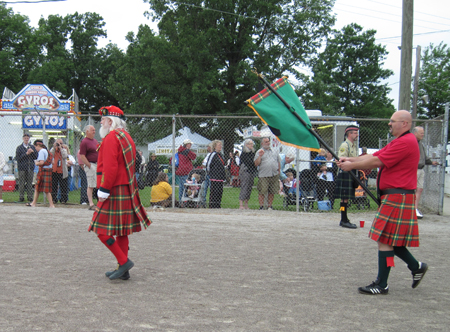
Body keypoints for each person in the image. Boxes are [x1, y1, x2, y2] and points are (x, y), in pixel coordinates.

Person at [338, 110, 428, 295]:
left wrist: (352, 165)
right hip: (395, 196)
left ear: (405, 123)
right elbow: (374, 155)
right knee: (389, 240)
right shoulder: (399, 141)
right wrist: (350, 159)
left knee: (384, 240)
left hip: (398, 196)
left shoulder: (405, 142)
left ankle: (382, 283)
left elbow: (377, 161)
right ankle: (415, 266)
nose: (389, 124)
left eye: (392, 121)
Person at [88, 105, 151, 281]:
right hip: (125, 188)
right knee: (122, 231)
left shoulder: (111, 138)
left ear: (111, 121)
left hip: (113, 187)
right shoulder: (127, 137)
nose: (101, 122)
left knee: (100, 229)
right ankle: (123, 270)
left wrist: (104, 189)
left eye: (103, 119)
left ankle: (123, 262)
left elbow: (110, 166)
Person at [335, 125, 360, 229]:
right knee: (344, 199)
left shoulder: (353, 145)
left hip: (351, 171)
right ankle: (343, 219)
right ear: (349, 134)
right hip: (345, 172)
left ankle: (344, 218)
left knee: (346, 199)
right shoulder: (345, 145)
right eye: (355, 132)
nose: (357, 135)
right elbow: (341, 159)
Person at [412, 126, 439, 219]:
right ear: (415, 133)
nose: (423, 134)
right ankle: (409, 209)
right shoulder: (411, 143)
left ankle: (415, 208)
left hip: (421, 169)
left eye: (423, 133)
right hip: (413, 169)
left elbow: (424, 157)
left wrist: (431, 162)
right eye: (421, 133)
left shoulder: (420, 144)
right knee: (412, 189)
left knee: (419, 189)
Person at [254, 137, 280, 210]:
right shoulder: (259, 152)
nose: (268, 143)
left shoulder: (274, 151)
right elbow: (256, 163)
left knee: (272, 191)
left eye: (268, 141)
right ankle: (261, 206)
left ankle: (269, 206)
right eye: (265, 142)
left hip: (274, 174)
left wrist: (279, 171)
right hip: (264, 175)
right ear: (262, 143)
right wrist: (260, 156)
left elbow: (278, 161)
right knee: (262, 191)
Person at [27, 140, 55, 208]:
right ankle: (34, 203)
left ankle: (51, 205)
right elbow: (53, 162)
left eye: (35, 147)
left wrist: (36, 163)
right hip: (48, 170)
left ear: (38, 146)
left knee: (44, 189)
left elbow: (41, 162)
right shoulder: (47, 151)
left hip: (43, 171)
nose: (35, 149)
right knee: (38, 188)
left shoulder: (41, 151)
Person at [80, 125, 99, 210]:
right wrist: (89, 165)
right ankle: (91, 203)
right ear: (87, 131)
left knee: (98, 183)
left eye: (94, 130)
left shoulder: (94, 141)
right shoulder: (84, 142)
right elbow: (82, 155)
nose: (94, 131)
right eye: (92, 130)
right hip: (91, 164)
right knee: (91, 184)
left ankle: (99, 202)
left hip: (97, 164)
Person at [15, 133, 37, 202]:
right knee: (21, 183)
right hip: (22, 168)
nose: (26, 139)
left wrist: (32, 152)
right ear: (23, 138)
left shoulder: (32, 147)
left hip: (30, 167)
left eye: (27, 138)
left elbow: (36, 156)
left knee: (29, 183)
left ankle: (30, 197)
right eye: (25, 138)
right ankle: (21, 197)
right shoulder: (19, 148)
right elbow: (18, 158)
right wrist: (26, 154)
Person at [206, 140, 226, 208]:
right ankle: (212, 206)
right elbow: (208, 165)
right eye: (219, 145)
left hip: (220, 177)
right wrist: (211, 173)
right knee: (214, 192)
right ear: (215, 147)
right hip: (214, 177)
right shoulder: (213, 154)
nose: (221, 146)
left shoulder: (221, 155)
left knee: (219, 192)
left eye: (221, 145)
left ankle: (218, 205)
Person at [239, 139, 257, 209]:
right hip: (245, 171)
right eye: (250, 144)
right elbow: (250, 162)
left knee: (249, 187)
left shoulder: (252, 153)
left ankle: (246, 203)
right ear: (246, 145)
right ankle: (241, 204)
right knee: (244, 186)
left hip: (251, 171)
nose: (251, 145)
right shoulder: (244, 153)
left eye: (252, 144)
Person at [50, 138, 69, 204]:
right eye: (58, 143)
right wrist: (54, 147)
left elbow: (65, 156)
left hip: (62, 171)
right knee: (54, 186)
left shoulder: (64, 150)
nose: (59, 145)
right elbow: (50, 155)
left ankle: (63, 199)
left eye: (61, 143)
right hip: (54, 170)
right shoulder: (53, 150)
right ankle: (54, 199)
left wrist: (61, 148)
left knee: (63, 186)